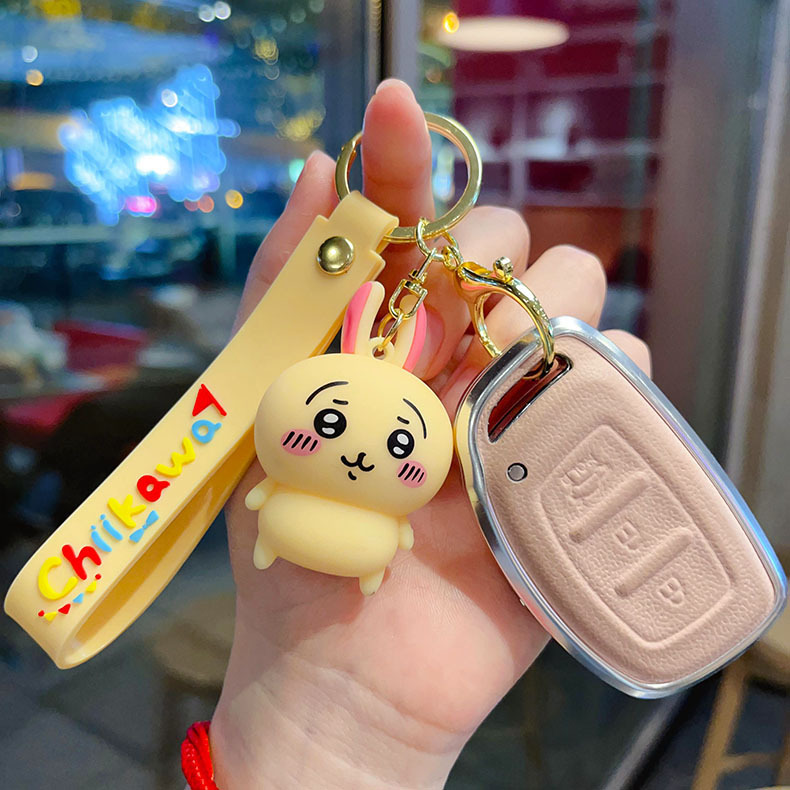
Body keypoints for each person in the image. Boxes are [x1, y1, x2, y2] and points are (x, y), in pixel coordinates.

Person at [208, 78, 651, 788]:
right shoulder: (300, 461)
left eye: (398, 447)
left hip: (357, 539)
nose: (360, 454)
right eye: (330, 422)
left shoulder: (405, 491)